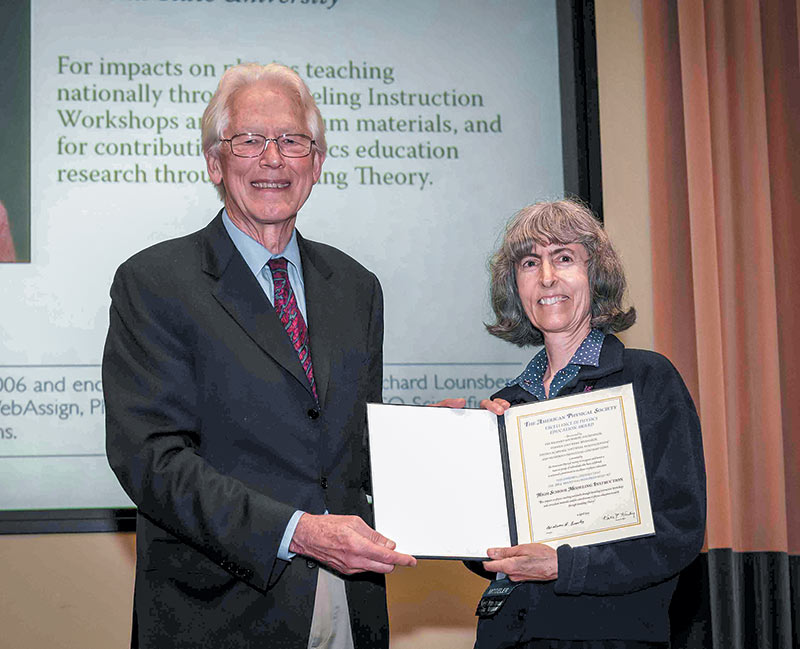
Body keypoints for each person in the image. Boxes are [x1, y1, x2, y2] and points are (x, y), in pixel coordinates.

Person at [102, 62, 415, 649]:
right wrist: (296, 532)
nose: (272, 158)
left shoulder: (356, 286)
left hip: (352, 606)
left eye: (293, 140)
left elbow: (349, 445)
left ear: (316, 164)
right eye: (248, 139)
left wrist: (427, 437)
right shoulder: (155, 281)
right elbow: (151, 459)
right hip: (218, 617)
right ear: (215, 163)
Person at [440, 200, 706, 648]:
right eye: (529, 263)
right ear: (515, 286)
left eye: (564, 258)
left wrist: (566, 566)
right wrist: (456, 459)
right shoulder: (504, 405)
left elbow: (679, 532)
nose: (546, 277)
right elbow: (484, 554)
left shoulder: (647, 379)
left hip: (609, 637)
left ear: (595, 274)